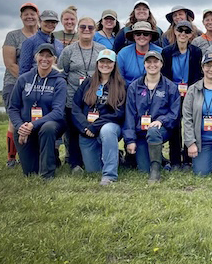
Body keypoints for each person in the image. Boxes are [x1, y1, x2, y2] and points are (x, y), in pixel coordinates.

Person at [8, 43, 67, 179]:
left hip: (51, 125)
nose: (44, 59)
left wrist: (32, 125)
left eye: (49, 56)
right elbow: (13, 107)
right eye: (41, 55)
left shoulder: (59, 81)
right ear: (36, 57)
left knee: (48, 127)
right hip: (26, 126)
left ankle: (47, 174)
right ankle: (51, 159)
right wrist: (20, 127)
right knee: (30, 172)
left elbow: (58, 112)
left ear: (54, 59)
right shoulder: (24, 79)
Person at [124, 51, 181, 183]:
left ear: (161, 64)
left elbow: (175, 113)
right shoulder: (134, 87)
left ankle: (155, 172)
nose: (152, 65)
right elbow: (129, 115)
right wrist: (130, 140)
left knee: (153, 131)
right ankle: (162, 161)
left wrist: (161, 120)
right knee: (144, 169)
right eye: (149, 62)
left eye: (156, 61)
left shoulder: (170, 87)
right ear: (144, 64)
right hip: (140, 133)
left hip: (160, 131)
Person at [58, 17, 106, 173]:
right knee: (73, 131)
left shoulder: (101, 49)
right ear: (78, 29)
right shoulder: (68, 51)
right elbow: (62, 73)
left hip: (95, 99)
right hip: (73, 98)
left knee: (94, 128)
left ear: (95, 30)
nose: (86, 30)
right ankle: (75, 163)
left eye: (90, 28)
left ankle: (96, 158)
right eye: (83, 27)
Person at [72, 49, 126, 185]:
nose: (105, 65)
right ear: (97, 63)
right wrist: (85, 127)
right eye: (102, 61)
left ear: (114, 65)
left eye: (109, 62)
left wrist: (96, 126)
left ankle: (109, 176)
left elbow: (119, 113)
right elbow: (75, 107)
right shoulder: (88, 83)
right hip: (87, 129)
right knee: (93, 171)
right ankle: (115, 156)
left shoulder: (121, 85)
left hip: (109, 126)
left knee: (107, 131)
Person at [161, 20, 203, 170]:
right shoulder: (166, 52)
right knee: (174, 125)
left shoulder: (196, 52)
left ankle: (187, 160)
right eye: (180, 30)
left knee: (189, 125)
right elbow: (164, 75)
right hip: (172, 94)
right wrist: (172, 91)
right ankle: (175, 161)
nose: (183, 34)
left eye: (187, 31)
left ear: (191, 34)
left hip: (191, 93)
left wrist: (191, 91)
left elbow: (198, 74)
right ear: (175, 31)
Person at [2, 2, 39, 167]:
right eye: (26, 14)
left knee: (36, 119)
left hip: (39, 85)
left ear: (38, 16)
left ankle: (33, 155)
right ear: (21, 17)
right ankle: (11, 158)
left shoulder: (43, 35)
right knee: (14, 119)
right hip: (15, 83)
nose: (29, 16)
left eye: (32, 13)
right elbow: (10, 64)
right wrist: (28, 81)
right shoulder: (13, 36)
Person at [117, 21, 163, 86]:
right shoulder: (123, 54)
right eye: (138, 34)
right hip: (129, 92)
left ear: (150, 36)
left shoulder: (161, 53)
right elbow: (119, 78)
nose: (142, 36)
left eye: (146, 34)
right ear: (134, 36)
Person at [19, 10, 64, 74]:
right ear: (40, 21)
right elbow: (24, 70)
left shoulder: (59, 44)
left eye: (53, 22)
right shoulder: (30, 42)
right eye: (47, 21)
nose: (50, 24)